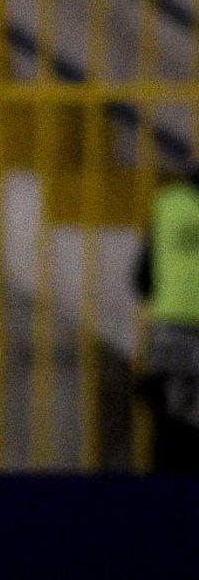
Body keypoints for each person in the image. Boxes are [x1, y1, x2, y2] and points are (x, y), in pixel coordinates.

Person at [134, 167, 199, 473]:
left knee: (169, 416)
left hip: (171, 328)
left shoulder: (167, 204)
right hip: (179, 328)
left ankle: (166, 487)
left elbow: (142, 277)